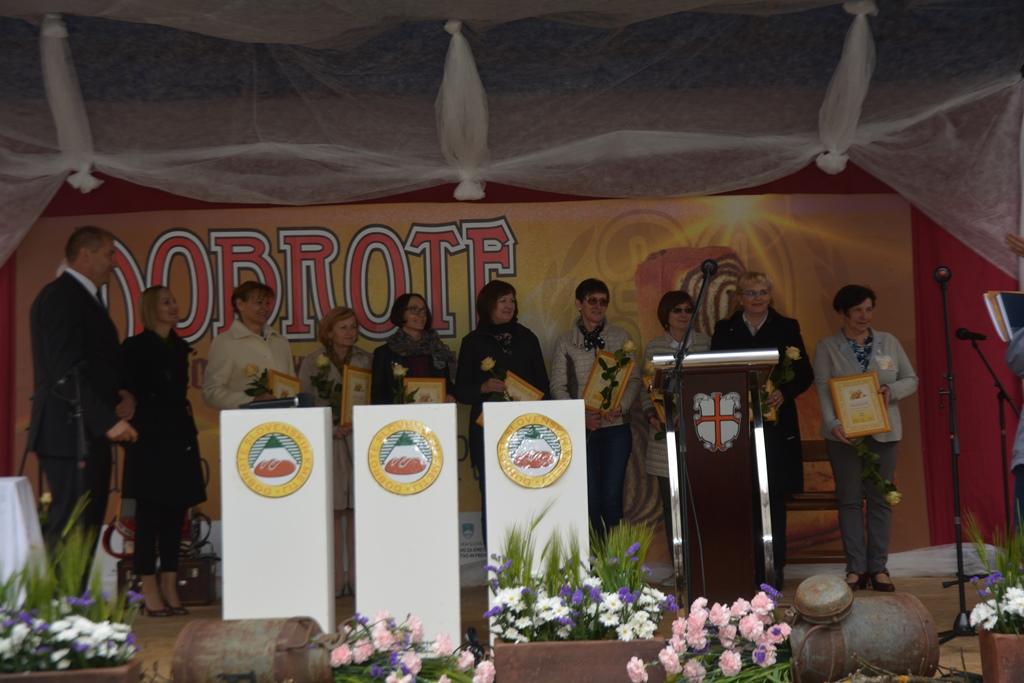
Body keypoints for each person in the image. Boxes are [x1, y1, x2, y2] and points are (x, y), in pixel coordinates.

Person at [28, 225, 138, 554]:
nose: (114, 263)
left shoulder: (82, 297)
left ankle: (74, 590)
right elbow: (65, 371)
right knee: (72, 528)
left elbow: (91, 364)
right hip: (69, 433)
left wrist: (119, 393)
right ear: (85, 254)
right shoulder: (61, 296)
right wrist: (107, 420)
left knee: (85, 527)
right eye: (109, 254)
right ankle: (59, 591)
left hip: (85, 432)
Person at [814, 284, 917, 592]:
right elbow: (823, 389)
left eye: (869, 309)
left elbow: (911, 379)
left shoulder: (889, 342)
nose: (864, 316)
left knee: (880, 500)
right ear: (843, 313)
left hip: (884, 432)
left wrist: (890, 390)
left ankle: (879, 568)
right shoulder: (827, 346)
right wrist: (833, 424)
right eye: (857, 310)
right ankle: (856, 568)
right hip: (843, 435)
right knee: (849, 500)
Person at [711, 271, 813, 585]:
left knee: (773, 497)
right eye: (750, 293)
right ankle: (745, 565)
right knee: (743, 495)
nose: (757, 298)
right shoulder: (725, 329)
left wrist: (785, 392)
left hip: (776, 427)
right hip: (736, 425)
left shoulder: (787, 327)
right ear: (739, 297)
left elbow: (805, 373)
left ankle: (773, 566)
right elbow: (714, 371)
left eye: (762, 292)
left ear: (770, 295)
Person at [122, 286, 206, 616]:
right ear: (150, 309)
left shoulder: (180, 346)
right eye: (166, 302)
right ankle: (148, 586)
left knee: (175, 513)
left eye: (174, 300)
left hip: (178, 436)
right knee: (148, 516)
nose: (174, 306)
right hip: (148, 437)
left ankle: (171, 584)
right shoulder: (134, 347)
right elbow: (123, 390)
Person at [455, 280, 549, 541]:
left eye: (512, 300)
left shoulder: (527, 338)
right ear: (488, 305)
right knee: (493, 495)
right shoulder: (473, 342)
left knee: (528, 494)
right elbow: (461, 390)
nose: (509, 305)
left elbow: (543, 388)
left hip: (526, 432)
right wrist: (483, 387)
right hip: (488, 432)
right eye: (503, 301)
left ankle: (529, 556)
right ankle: (495, 561)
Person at [550, 278, 641, 536]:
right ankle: (592, 556)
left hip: (616, 427)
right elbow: (557, 386)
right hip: (583, 430)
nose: (598, 306)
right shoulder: (566, 341)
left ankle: (616, 557)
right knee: (588, 497)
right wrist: (579, 416)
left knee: (612, 497)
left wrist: (621, 406)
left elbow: (634, 379)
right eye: (592, 300)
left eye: (603, 301)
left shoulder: (621, 337)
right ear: (579, 303)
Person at [298, 306, 372, 596]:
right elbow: (305, 403)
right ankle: (336, 576)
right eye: (343, 327)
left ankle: (356, 575)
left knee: (357, 510)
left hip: (358, 438)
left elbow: (372, 399)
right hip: (328, 440)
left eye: (353, 327)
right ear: (328, 332)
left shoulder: (366, 359)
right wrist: (331, 427)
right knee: (334, 510)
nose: (350, 332)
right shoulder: (312, 361)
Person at [640, 290, 710, 556]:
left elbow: (715, 385)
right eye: (677, 310)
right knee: (672, 504)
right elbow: (646, 389)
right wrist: (652, 415)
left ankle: (700, 563)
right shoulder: (654, 347)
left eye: (688, 310)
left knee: (699, 502)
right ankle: (679, 565)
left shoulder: (705, 344)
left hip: (701, 433)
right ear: (665, 315)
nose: (683, 315)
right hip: (664, 436)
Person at [202, 281, 293, 410]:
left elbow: (291, 387)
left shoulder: (280, 342)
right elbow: (211, 392)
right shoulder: (225, 342)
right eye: (259, 303)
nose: (265, 308)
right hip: (245, 420)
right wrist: (252, 400)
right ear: (240, 304)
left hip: (283, 420)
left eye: (268, 303)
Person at [371, 293, 456, 404]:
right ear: (401, 313)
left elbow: (448, 384)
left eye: (423, 310)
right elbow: (378, 396)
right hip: (399, 415)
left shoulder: (437, 348)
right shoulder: (384, 353)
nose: (421, 315)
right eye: (414, 310)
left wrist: (450, 394)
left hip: (435, 412)